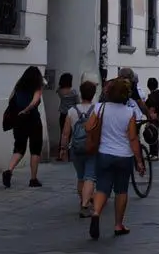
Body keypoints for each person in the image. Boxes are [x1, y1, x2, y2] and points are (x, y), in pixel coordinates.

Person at [88, 78, 146, 240]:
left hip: (104, 153)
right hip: (124, 156)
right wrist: (139, 161)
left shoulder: (99, 108)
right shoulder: (129, 113)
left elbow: (88, 127)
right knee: (121, 190)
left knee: (102, 188)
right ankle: (118, 225)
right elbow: (133, 139)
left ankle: (96, 212)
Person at [60, 80, 98, 217]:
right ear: (93, 94)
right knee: (90, 177)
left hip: (75, 148)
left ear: (81, 94)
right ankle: (85, 205)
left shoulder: (72, 111)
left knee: (81, 177)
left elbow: (65, 133)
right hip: (92, 148)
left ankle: (83, 199)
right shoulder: (97, 109)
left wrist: (63, 148)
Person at [2, 65, 44, 188]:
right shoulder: (37, 86)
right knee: (35, 149)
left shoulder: (18, 86)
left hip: (19, 121)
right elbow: (35, 101)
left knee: (19, 147)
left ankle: (9, 170)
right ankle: (33, 179)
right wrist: (26, 110)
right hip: (33, 121)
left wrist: (17, 112)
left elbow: (10, 99)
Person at [55, 73, 79, 161]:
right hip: (72, 114)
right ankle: (70, 154)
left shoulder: (60, 91)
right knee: (72, 134)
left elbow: (58, 90)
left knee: (63, 134)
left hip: (63, 114)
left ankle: (60, 154)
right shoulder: (74, 91)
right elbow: (77, 102)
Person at [145, 77, 159, 161]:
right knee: (152, 133)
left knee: (153, 134)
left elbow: (150, 106)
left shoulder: (154, 96)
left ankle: (154, 154)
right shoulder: (158, 94)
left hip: (154, 118)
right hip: (158, 117)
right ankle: (152, 153)